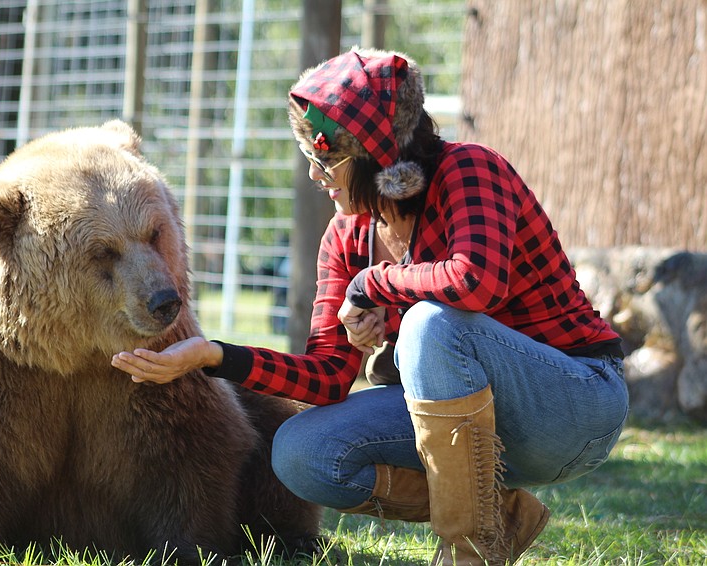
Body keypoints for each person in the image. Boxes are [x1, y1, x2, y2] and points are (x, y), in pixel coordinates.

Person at [112, 47, 629, 566]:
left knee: (432, 324)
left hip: (574, 405)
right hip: (475, 436)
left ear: (375, 155)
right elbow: (326, 377)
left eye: (325, 159)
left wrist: (379, 282)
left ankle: (469, 554)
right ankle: (499, 516)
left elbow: (477, 283)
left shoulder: (470, 170)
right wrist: (214, 357)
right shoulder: (344, 236)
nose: (316, 175)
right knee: (302, 451)